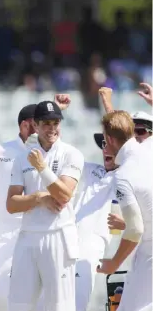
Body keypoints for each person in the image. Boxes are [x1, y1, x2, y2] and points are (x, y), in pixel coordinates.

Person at [0, 94, 71, 311]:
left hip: (38, 231)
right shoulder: (0, 151)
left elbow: (54, 133)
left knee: (44, 300)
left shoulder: (47, 150)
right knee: (3, 297)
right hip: (7, 233)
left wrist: (59, 108)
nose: (43, 129)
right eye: (37, 123)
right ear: (25, 125)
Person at [6, 100, 84, 311]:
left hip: (58, 235)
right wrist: (39, 198)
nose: (52, 128)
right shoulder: (22, 157)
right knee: (18, 304)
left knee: (59, 306)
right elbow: (11, 204)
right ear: (36, 125)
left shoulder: (71, 153)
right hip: (28, 235)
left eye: (55, 123)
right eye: (46, 123)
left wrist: (42, 167)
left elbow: (64, 195)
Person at [97, 111, 152, 311]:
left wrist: (113, 263)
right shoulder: (150, 148)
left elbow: (135, 230)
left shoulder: (123, 176)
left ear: (109, 139)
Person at [72, 133, 119, 311]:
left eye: (112, 145)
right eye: (104, 144)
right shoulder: (91, 169)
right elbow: (64, 162)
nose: (105, 149)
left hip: (92, 244)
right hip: (68, 237)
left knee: (77, 302)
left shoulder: (126, 177)